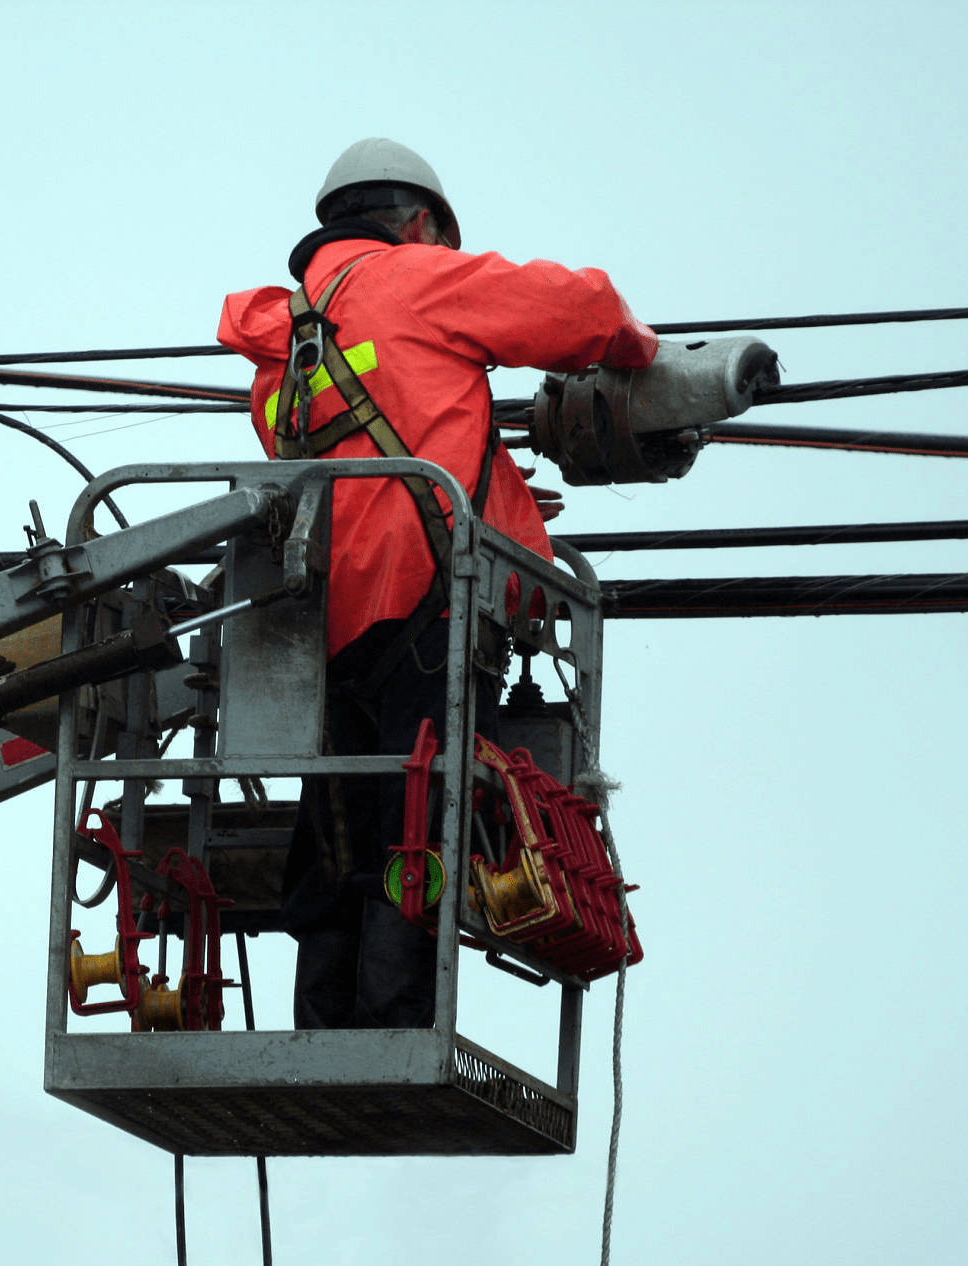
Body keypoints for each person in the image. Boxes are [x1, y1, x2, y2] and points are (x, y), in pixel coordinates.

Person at [215, 138, 658, 1029]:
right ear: (418, 223)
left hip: (321, 622)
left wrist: (500, 492)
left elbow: (371, 454)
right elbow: (585, 310)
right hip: (430, 598)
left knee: (339, 818)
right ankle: (394, 1020)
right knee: (418, 813)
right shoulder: (416, 276)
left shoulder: (283, 343)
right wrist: (645, 356)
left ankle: (326, 1027)